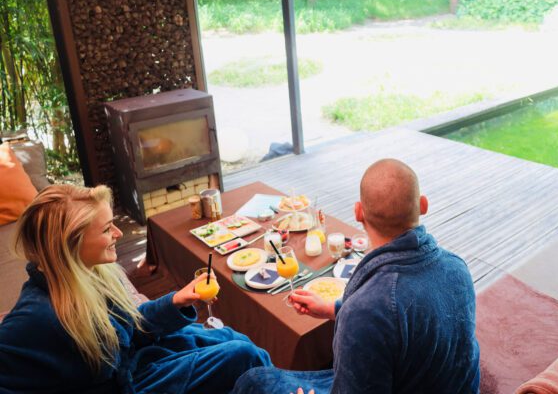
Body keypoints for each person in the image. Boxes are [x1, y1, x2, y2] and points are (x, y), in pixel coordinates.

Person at [234, 158, 481, 393]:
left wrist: (352, 311)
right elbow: (406, 320)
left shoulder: (366, 310)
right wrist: (335, 308)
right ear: (423, 205)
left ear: (358, 212)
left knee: (254, 380)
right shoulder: (457, 267)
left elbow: (384, 315)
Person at [0, 184, 271, 394]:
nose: (118, 234)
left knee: (232, 338)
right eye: (107, 229)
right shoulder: (37, 319)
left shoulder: (88, 273)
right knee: (241, 356)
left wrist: (175, 301)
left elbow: (127, 327)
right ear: (71, 245)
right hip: (126, 384)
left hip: (130, 364)